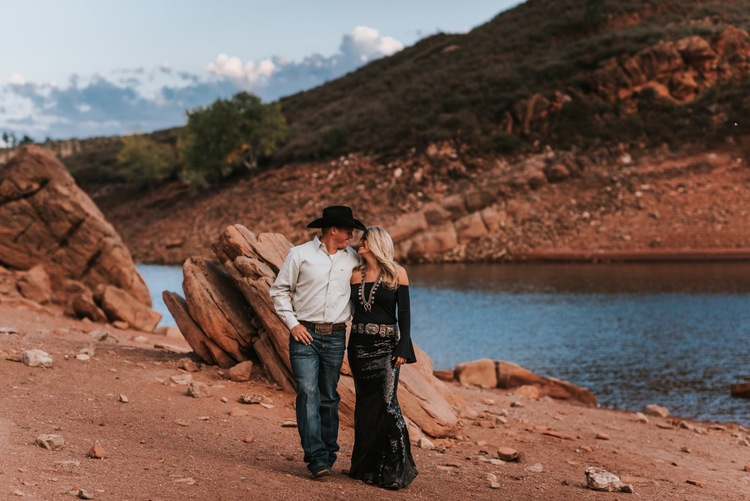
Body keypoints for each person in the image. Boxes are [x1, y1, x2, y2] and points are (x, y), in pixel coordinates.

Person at [270, 205, 367, 479]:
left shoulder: (353, 260)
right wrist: (293, 324)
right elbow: (279, 291)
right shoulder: (299, 254)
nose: (351, 235)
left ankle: (329, 452)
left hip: (336, 336)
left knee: (329, 396)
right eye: (348, 230)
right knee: (308, 392)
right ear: (333, 229)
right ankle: (315, 458)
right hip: (305, 336)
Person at [347, 225, 418, 490]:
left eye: (364, 239)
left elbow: (406, 315)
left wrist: (403, 347)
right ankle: (366, 467)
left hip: (387, 347)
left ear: (376, 243)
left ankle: (397, 470)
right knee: (366, 407)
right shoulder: (354, 274)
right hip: (358, 347)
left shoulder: (397, 273)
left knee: (388, 405)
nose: (359, 242)